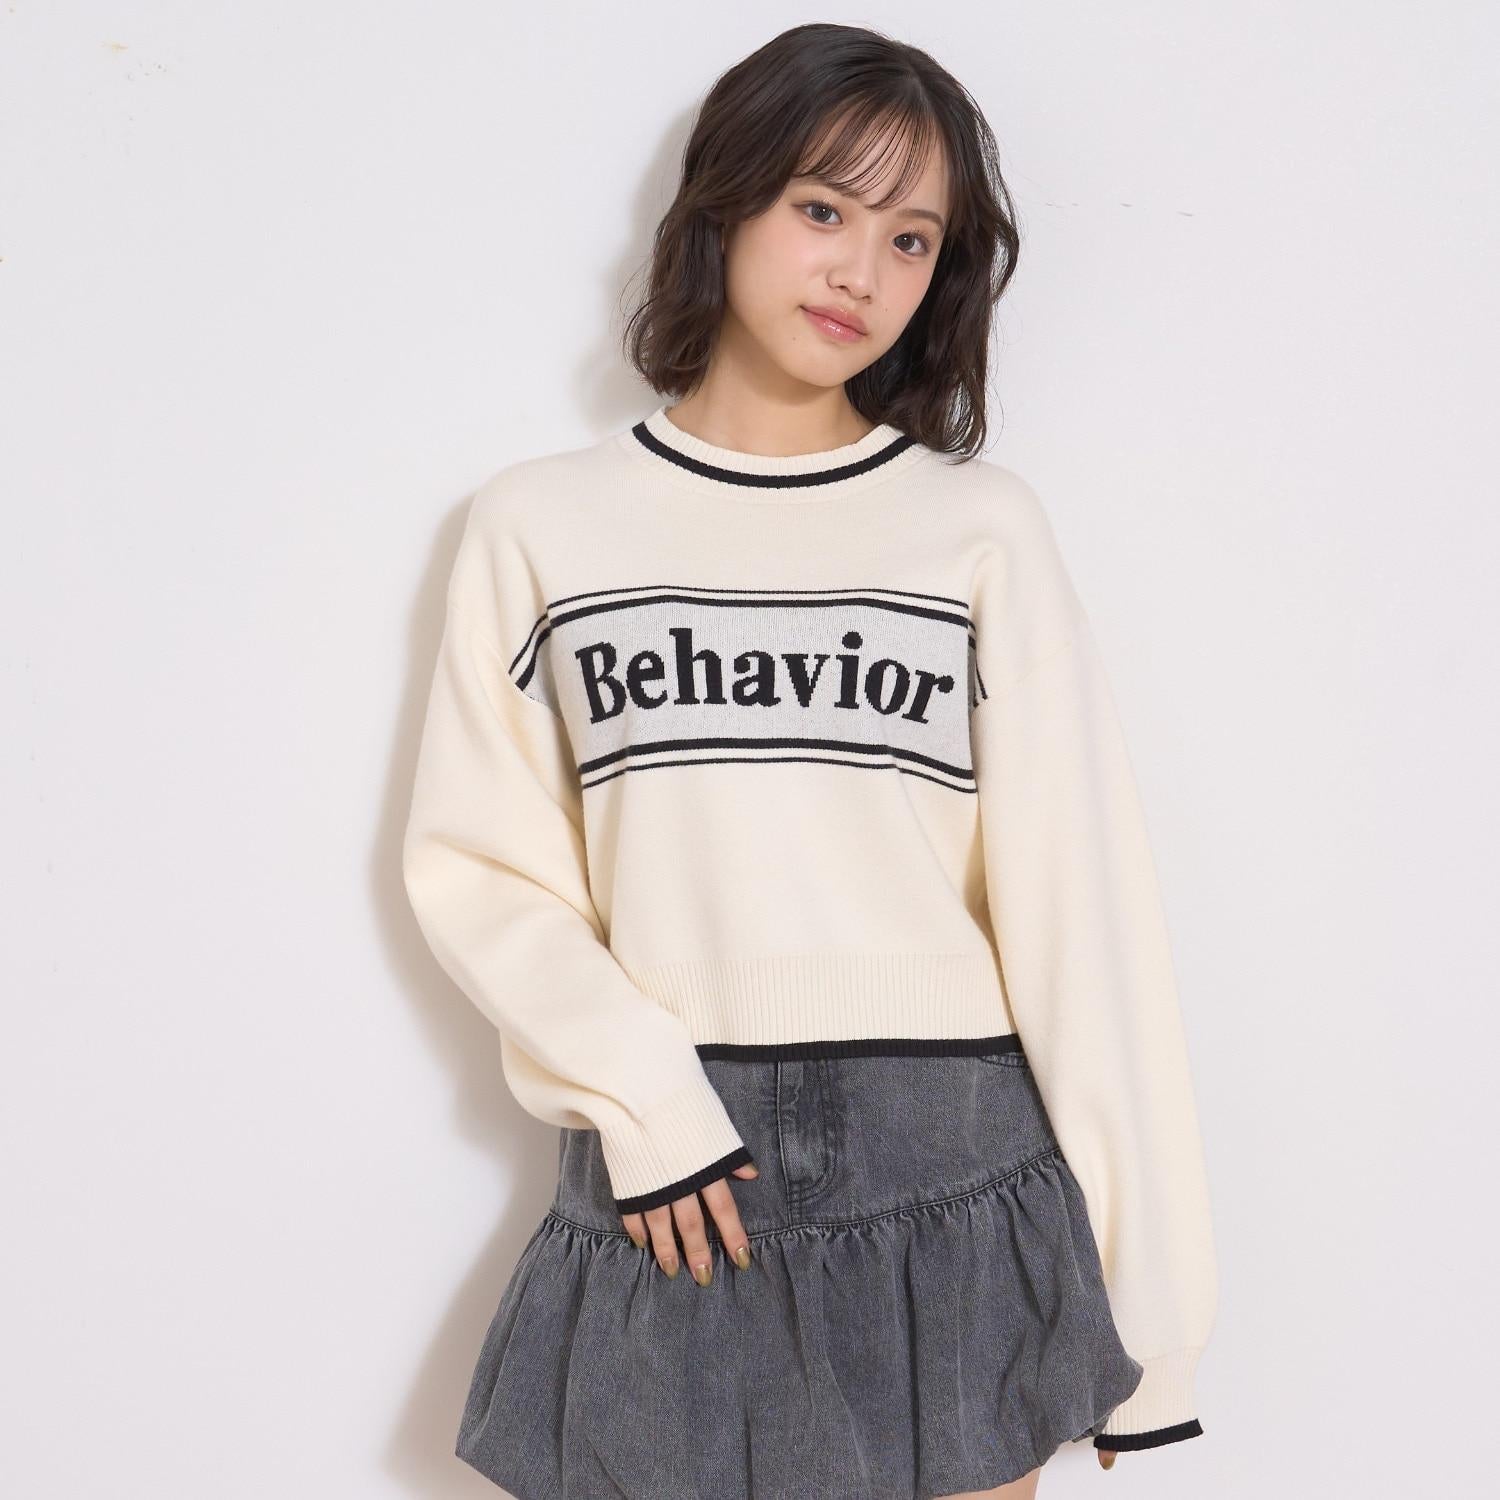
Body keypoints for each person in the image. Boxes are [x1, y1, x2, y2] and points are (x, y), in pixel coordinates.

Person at [401, 21, 1218, 1500]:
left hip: (958, 1178)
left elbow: (1082, 920)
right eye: (823, 209)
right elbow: (481, 869)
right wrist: (644, 1097)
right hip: (675, 1182)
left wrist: (1149, 1316)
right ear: (725, 206)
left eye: (913, 239)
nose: (861, 272)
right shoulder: (540, 527)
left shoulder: (979, 534)